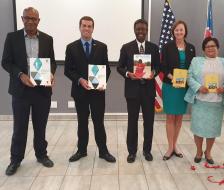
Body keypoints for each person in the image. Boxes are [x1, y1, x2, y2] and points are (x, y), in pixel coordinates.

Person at [1, 7, 57, 175]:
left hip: (42, 91)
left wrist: (51, 74)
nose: (31, 21)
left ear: (39, 21)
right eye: (27, 18)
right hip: (21, 91)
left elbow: (52, 62)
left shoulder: (48, 39)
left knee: (41, 126)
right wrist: (20, 75)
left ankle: (41, 155)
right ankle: (15, 160)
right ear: (22, 18)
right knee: (20, 127)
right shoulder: (12, 38)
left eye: (34, 18)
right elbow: (6, 62)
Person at [64, 16, 116, 163]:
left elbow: (107, 69)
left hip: (97, 93)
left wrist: (102, 82)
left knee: (99, 122)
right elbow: (68, 70)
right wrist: (80, 80)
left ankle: (103, 151)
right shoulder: (71, 47)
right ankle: (81, 150)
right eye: (84, 26)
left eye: (89, 26)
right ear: (79, 27)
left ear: (93, 28)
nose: (87, 28)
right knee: (82, 122)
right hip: (80, 91)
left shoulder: (102, 46)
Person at [117, 19, 160, 163]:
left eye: (143, 29)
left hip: (148, 91)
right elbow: (119, 67)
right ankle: (132, 152)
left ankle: (147, 151)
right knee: (132, 122)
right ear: (134, 30)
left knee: (149, 122)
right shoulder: (126, 47)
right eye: (138, 29)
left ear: (147, 31)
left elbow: (158, 66)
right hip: (132, 91)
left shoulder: (153, 48)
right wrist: (128, 74)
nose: (141, 32)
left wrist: (154, 71)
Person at [184, 37, 224, 164]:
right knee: (198, 128)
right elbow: (189, 76)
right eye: (208, 46)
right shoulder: (196, 60)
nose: (210, 48)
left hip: (217, 102)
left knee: (212, 130)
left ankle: (208, 152)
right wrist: (198, 87)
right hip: (200, 101)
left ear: (218, 48)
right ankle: (199, 151)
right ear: (204, 49)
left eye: (213, 46)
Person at [161, 20, 196, 160]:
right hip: (171, 86)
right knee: (170, 116)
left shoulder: (191, 48)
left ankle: (175, 145)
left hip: (184, 87)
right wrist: (172, 77)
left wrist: (187, 78)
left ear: (185, 31)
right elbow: (163, 66)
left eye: (181, 30)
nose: (179, 32)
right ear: (173, 32)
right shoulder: (167, 47)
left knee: (179, 117)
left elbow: (193, 67)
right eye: (176, 30)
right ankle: (170, 147)